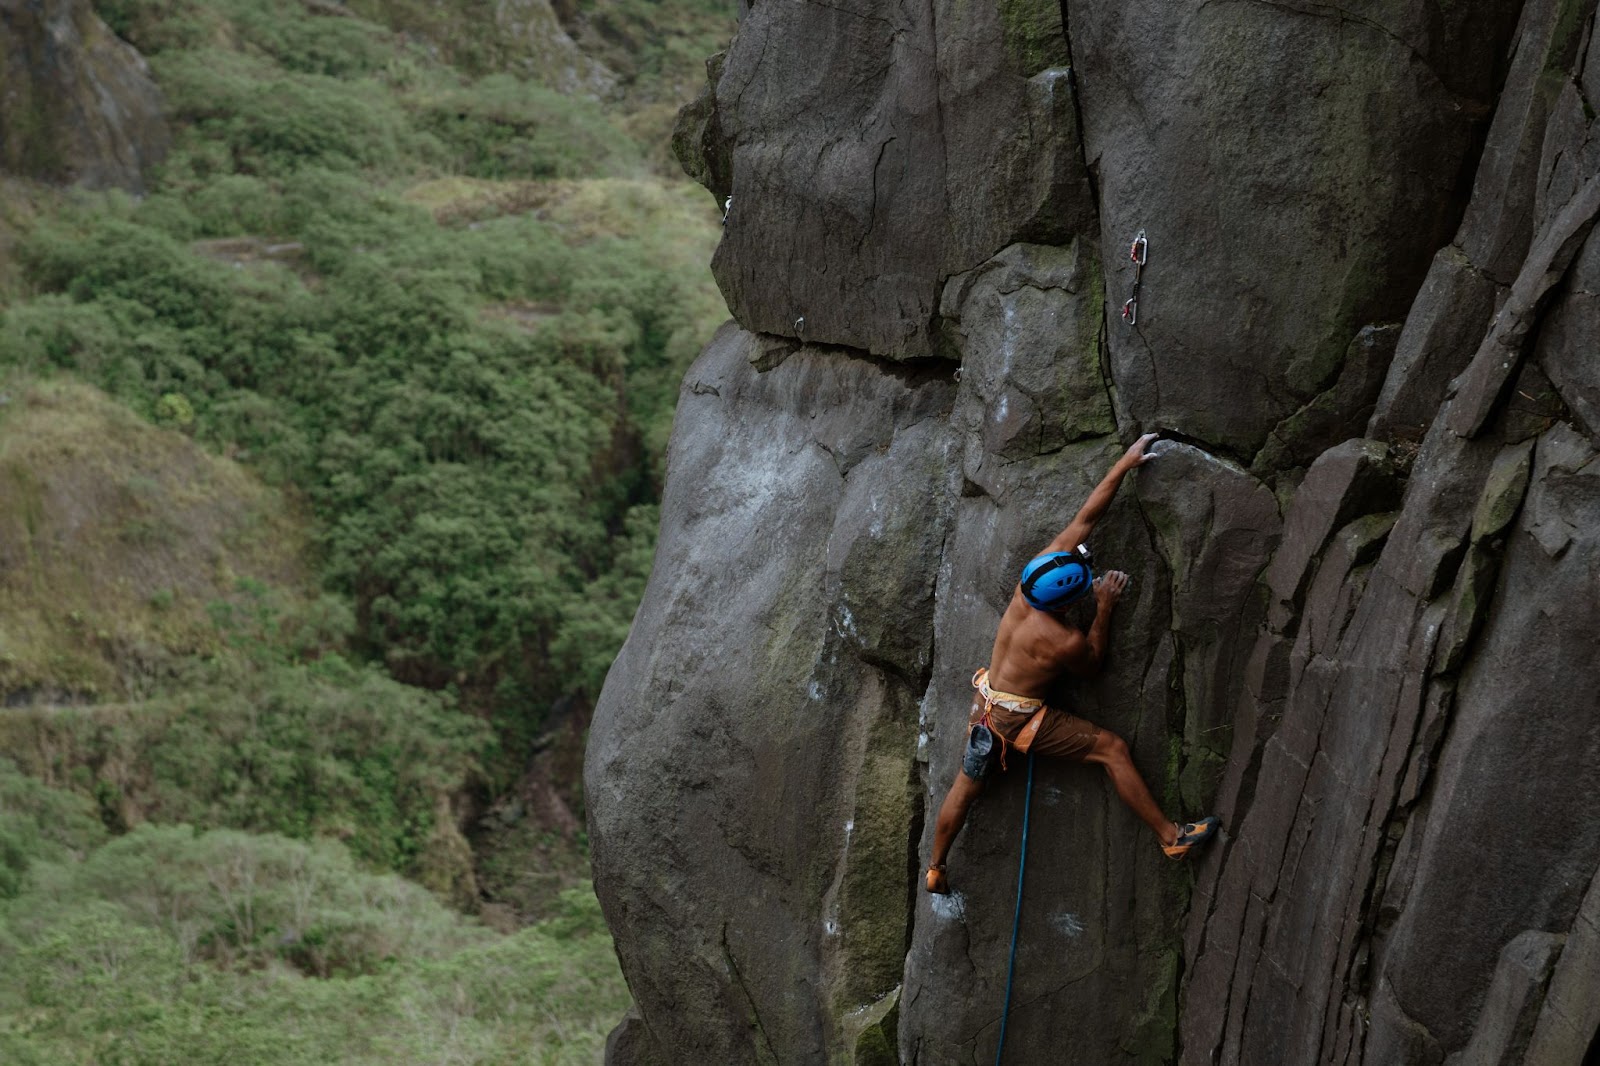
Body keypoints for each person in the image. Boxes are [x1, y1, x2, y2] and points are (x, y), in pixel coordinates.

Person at [925, 432, 1219, 895]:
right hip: (1015, 720)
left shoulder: (1033, 579)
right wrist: (1104, 607)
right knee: (1112, 749)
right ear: (1068, 601)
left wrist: (1124, 464)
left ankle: (936, 868)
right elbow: (1093, 664)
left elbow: (1086, 517)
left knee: (966, 785)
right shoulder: (1061, 640)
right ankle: (1171, 838)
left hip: (985, 704)